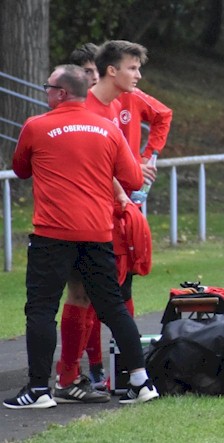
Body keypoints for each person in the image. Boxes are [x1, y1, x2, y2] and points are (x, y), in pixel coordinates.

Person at [3, 65, 159, 409]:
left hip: (52, 234)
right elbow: (133, 178)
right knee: (114, 308)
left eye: (48, 88)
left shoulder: (36, 126)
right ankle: (141, 382)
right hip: (97, 234)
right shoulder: (107, 128)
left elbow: (20, 168)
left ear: (60, 93)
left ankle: (39, 389)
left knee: (41, 310)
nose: (46, 92)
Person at [55, 40, 168, 396]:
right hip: (85, 216)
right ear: (112, 71)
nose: (139, 75)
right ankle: (75, 375)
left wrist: (145, 160)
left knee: (111, 292)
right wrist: (124, 183)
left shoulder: (121, 103)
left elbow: (161, 119)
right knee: (83, 296)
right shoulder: (83, 107)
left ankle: (110, 372)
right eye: (133, 68)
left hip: (116, 214)